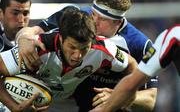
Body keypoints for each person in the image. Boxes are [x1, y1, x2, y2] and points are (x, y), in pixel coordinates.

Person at [15, 0, 157, 111]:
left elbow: (150, 99)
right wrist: (23, 38)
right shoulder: (75, 17)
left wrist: (117, 97)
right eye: (93, 14)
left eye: (101, 19)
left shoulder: (140, 45)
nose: (93, 22)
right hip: (68, 103)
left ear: (118, 22)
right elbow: (32, 31)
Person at [0, 7, 137, 111]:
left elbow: (131, 64)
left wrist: (128, 95)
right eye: (72, 47)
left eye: (84, 48)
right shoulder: (36, 48)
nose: (77, 55)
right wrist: (13, 107)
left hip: (65, 105)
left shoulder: (104, 49)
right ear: (60, 38)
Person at [89, 25, 180, 112]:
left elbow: (131, 84)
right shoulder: (172, 37)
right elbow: (132, 84)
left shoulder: (172, 36)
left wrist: (112, 102)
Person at [0, 0, 31, 111]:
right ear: (1, 14)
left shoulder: (34, 42)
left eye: (25, 13)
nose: (21, 20)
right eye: (15, 13)